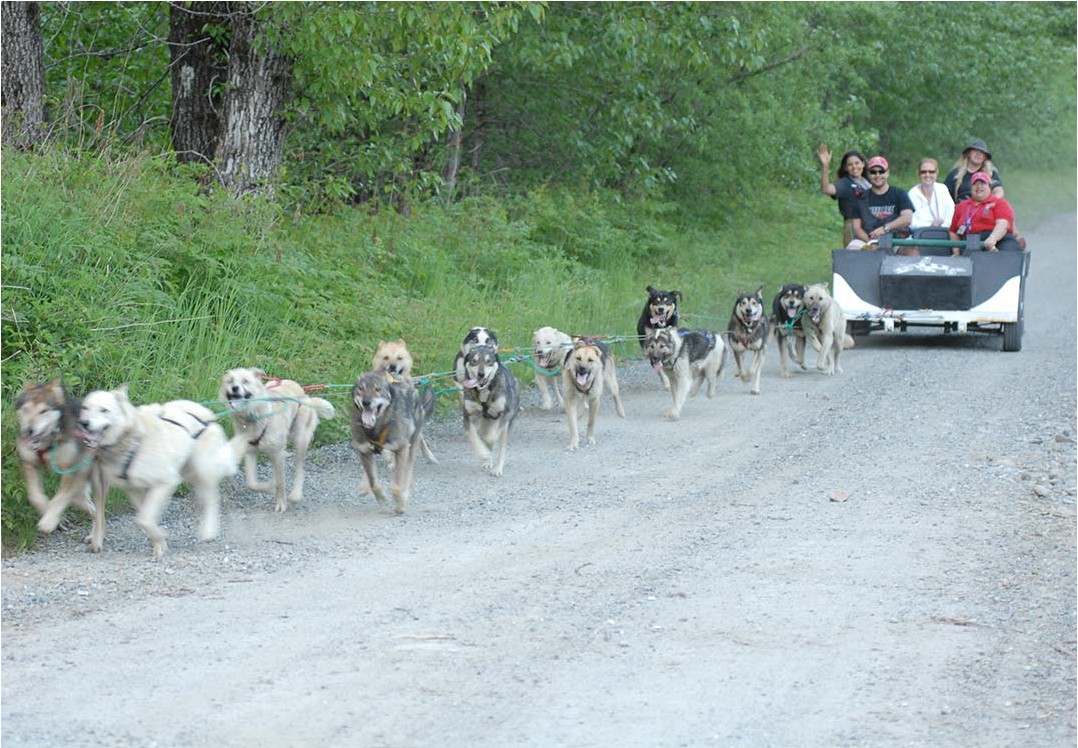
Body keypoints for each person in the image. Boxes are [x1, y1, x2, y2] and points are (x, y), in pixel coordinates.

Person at [847, 156, 914, 250]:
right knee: (852, 249)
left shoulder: (899, 194)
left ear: (887, 173)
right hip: (869, 240)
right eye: (873, 172)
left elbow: (907, 218)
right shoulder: (860, 198)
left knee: (911, 249)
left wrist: (885, 229)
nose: (877, 175)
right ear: (869, 175)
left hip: (896, 240)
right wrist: (870, 242)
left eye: (881, 171)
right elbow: (856, 227)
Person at [948, 171, 1023, 254]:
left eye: (983, 183)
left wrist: (992, 238)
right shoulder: (961, 206)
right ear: (971, 187)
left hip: (999, 238)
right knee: (971, 252)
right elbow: (953, 231)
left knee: (1008, 250)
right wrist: (956, 252)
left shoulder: (999, 203)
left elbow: (1003, 224)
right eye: (975, 184)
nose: (979, 186)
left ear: (989, 187)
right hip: (972, 240)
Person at [817, 144, 869, 247]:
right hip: (853, 228)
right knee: (855, 260)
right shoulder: (845, 183)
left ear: (863, 164)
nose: (854, 167)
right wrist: (825, 166)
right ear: (845, 168)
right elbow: (826, 189)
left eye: (857, 163)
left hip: (871, 226)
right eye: (850, 164)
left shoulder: (869, 183)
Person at [908, 157, 955, 230]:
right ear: (919, 174)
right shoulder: (912, 194)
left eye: (931, 172)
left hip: (943, 232)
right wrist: (931, 226)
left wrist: (942, 226)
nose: (927, 175)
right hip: (920, 235)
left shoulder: (942, 189)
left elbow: (951, 212)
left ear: (937, 173)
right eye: (923, 172)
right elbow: (912, 222)